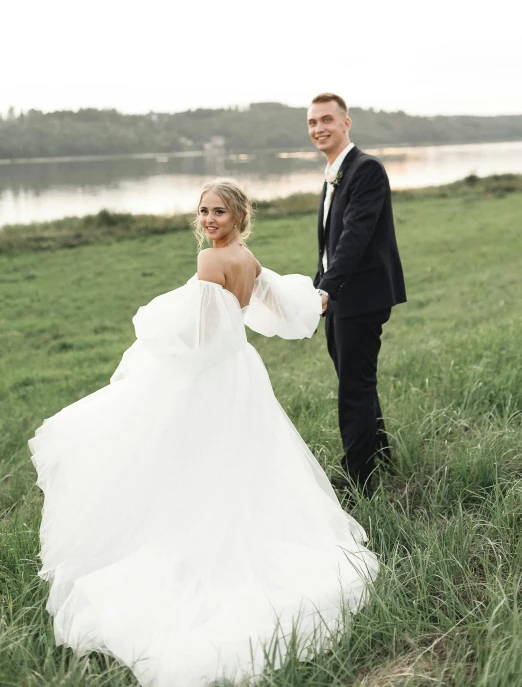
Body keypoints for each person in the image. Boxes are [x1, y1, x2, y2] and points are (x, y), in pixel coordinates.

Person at [29, 179, 378, 687]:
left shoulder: (211, 262)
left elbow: (200, 335)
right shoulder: (247, 257)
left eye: (218, 211)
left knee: (184, 453)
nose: (209, 219)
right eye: (204, 211)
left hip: (212, 373)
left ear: (238, 215)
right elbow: (278, 309)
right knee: (235, 457)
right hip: (241, 370)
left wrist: (156, 333)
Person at [308, 93, 406, 495]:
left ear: (347, 123)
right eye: (313, 122)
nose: (319, 128)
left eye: (327, 120)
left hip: (360, 295)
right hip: (342, 296)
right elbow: (330, 243)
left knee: (353, 387)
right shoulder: (334, 170)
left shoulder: (366, 169)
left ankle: (357, 480)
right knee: (358, 380)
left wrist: (327, 289)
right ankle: (379, 454)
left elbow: (355, 237)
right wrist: (320, 284)